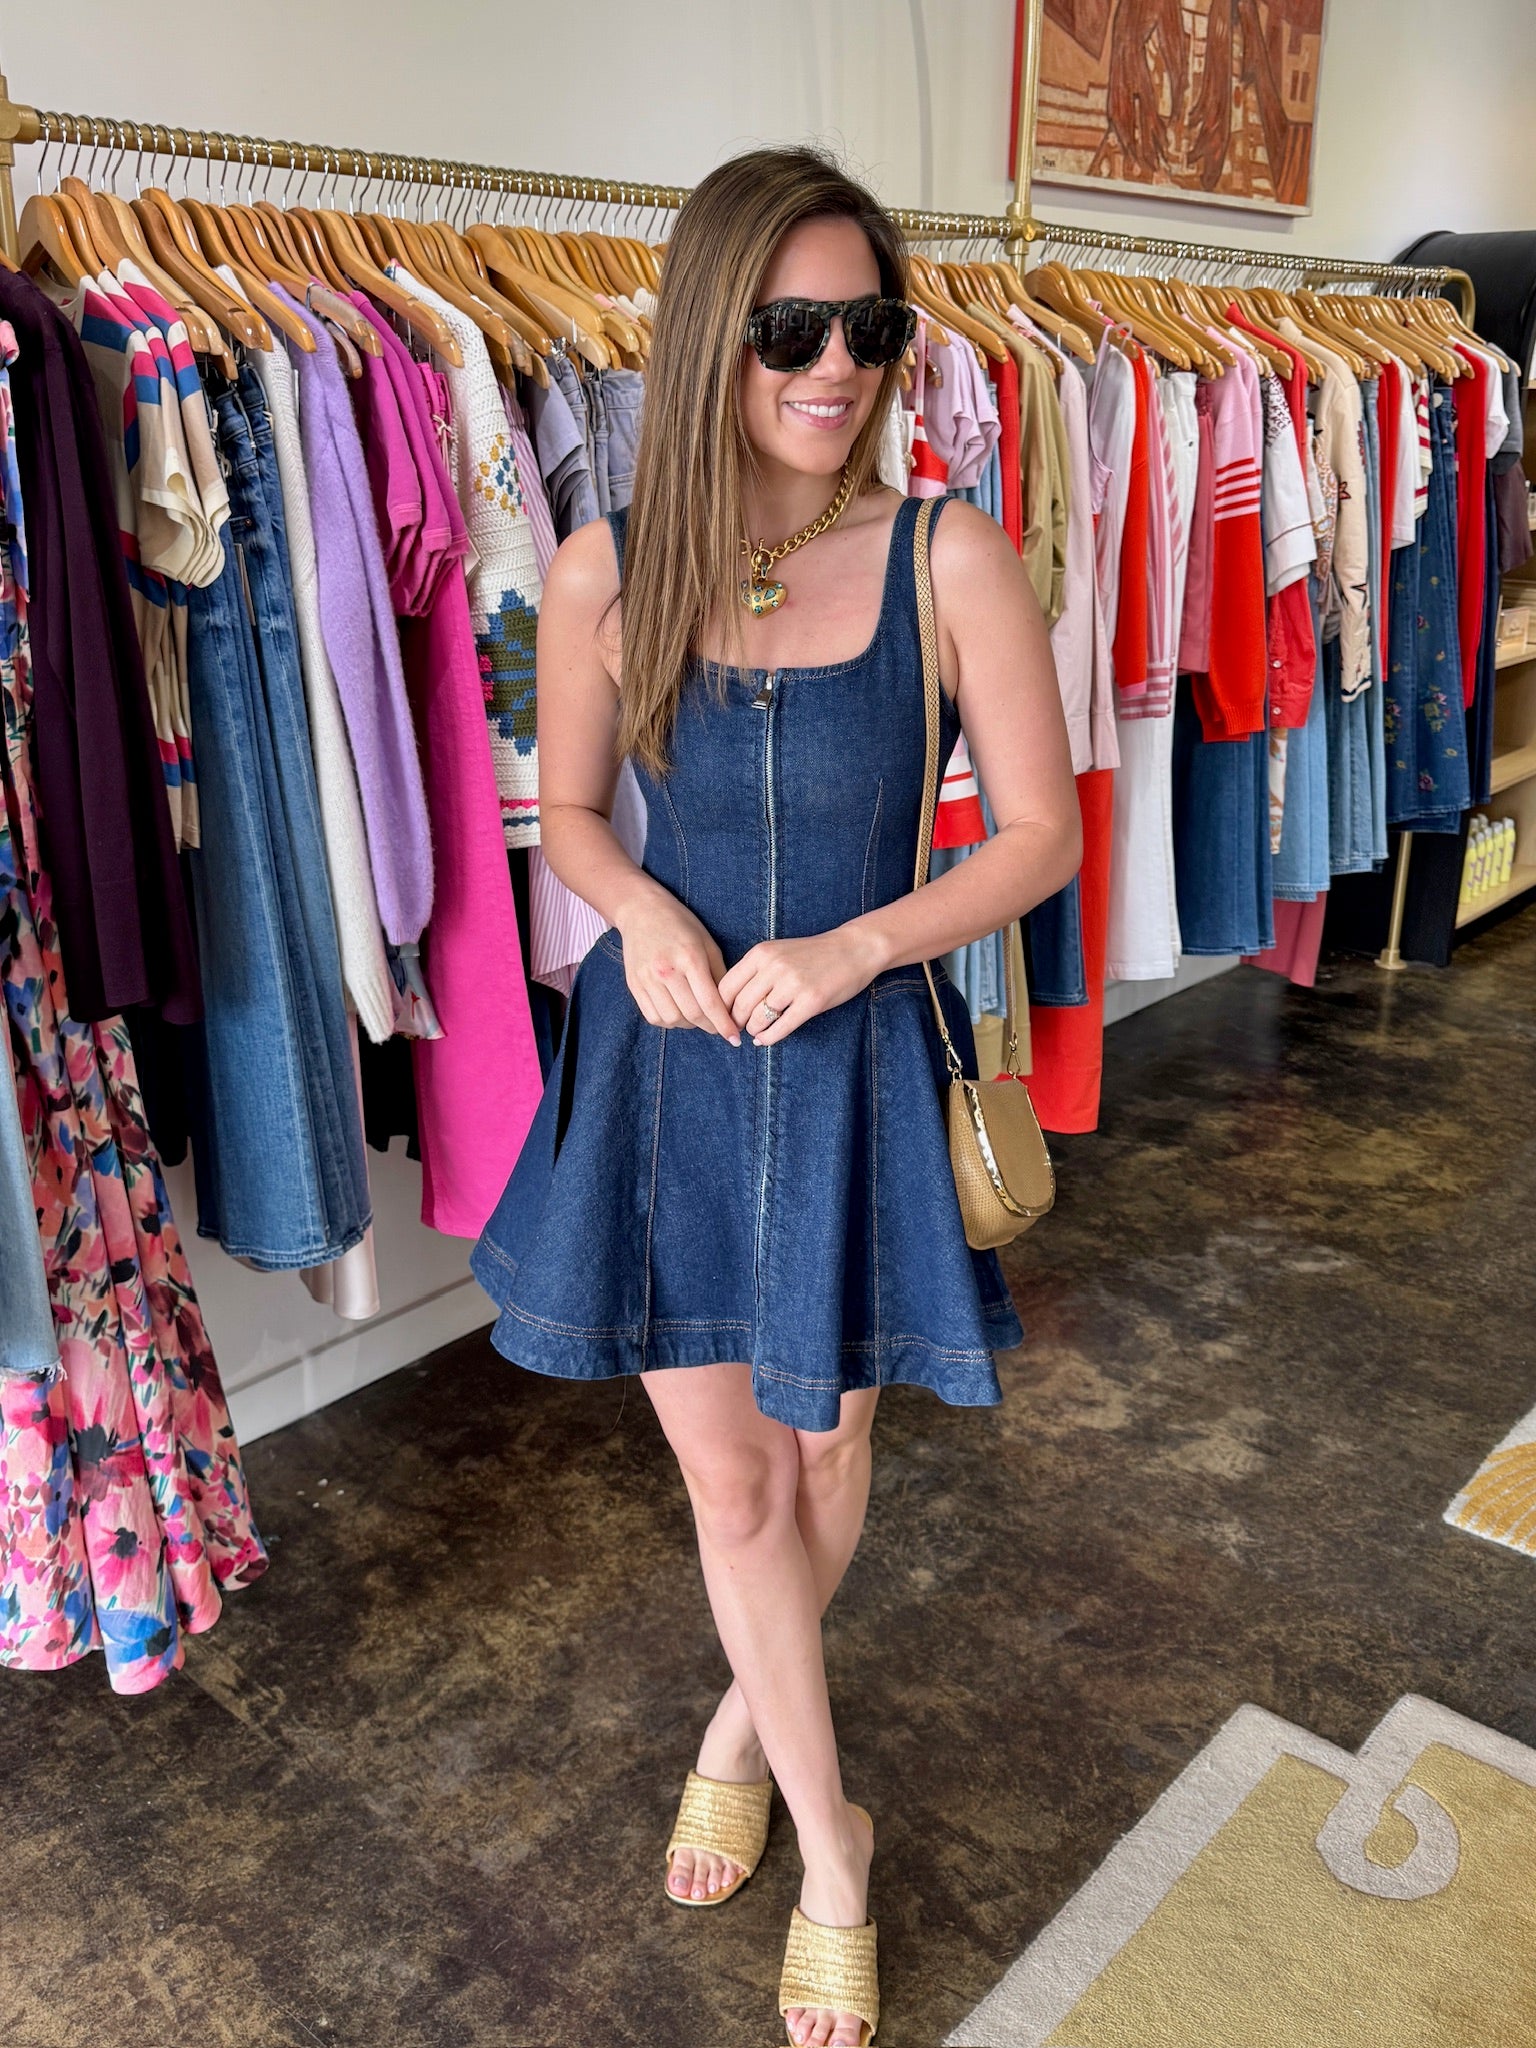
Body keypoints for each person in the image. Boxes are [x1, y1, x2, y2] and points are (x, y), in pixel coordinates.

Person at [471, 145, 1080, 2048]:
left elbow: (1045, 839)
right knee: (734, 1481)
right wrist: (644, 903)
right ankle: (837, 1846)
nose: (837, 369)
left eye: (869, 329)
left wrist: (856, 946)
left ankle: (744, 1717)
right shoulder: (602, 567)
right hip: (667, 1076)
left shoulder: (945, 551)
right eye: (790, 330)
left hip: (855, 1066)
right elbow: (565, 817)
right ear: (708, 332)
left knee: (822, 1463)